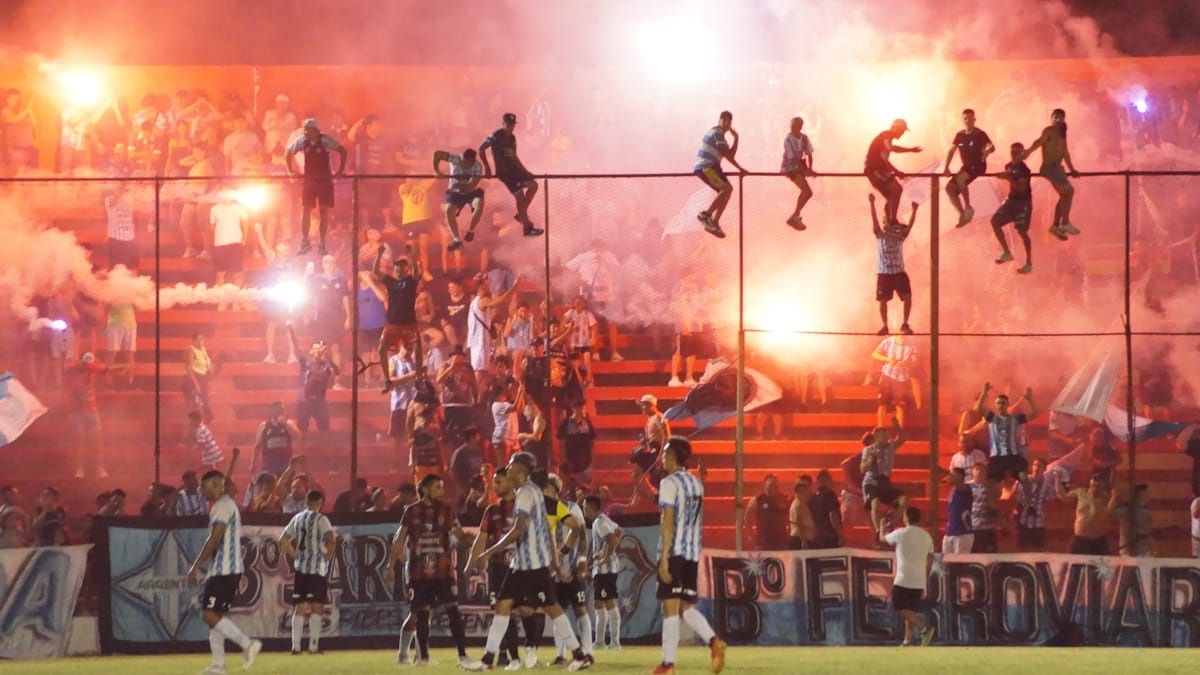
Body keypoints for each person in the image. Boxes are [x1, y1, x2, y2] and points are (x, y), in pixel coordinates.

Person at [464, 453, 589, 672]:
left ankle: (579, 654)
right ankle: (487, 660)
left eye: (511, 466)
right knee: (504, 607)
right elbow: (545, 532)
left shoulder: (524, 493)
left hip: (531, 565)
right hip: (523, 564)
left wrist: (490, 552)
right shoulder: (535, 492)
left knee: (552, 608)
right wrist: (555, 563)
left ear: (520, 470)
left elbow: (518, 530)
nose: (508, 469)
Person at [653, 437, 726, 675]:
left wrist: (664, 558)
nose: (662, 457)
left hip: (675, 553)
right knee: (685, 607)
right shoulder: (696, 483)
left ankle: (667, 665)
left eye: (665, 453)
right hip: (693, 553)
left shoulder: (669, 483)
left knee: (670, 609)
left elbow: (668, 522)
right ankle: (714, 642)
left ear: (673, 457)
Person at [387, 474, 471, 667]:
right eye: (437, 488)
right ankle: (421, 657)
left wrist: (469, 540)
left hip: (443, 570)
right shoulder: (411, 511)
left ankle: (462, 655)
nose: (441, 492)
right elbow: (399, 539)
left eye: (442, 488)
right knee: (420, 613)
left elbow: (459, 534)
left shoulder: (447, 511)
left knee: (452, 610)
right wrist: (390, 566)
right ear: (424, 490)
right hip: (418, 571)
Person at [186, 470, 263, 674]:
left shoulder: (222, 507)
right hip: (226, 569)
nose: (201, 490)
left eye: (204, 486)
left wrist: (195, 566)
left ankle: (247, 644)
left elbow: (214, 539)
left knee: (209, 615)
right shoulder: (226, 505)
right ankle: (219, 666)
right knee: (215, 618)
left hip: (225, 569)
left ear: (214, 486)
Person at [469, 466, 522, 668]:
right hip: (500, 567)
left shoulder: (524, 506)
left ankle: (535, 651)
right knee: (503, 611)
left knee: (527, 611)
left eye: (499, 482)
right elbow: (481, 539)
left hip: (523, 566)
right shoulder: (492, 510)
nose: (495, 486)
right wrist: (470, 563)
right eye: (494, 482)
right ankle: (506, 656)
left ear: (510, 481)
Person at [543, 474, 593, 666]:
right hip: (554, 570)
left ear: (555, 490)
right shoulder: (542, 510)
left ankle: (587, 652)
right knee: (559, 611)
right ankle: (560, 655)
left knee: (580, 609)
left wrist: (581, 561)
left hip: (571, 568)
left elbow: (582, 536)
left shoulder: (572, 509)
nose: (544, 493)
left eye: (547, 489)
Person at [280, 490, 335, 655]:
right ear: (320, 502)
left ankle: (295, 647)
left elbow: (283, 539)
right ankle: (313, 646)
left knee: (300, 606)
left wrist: (294, 554)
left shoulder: (297, 518)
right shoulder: (321, 519)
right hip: (316, 568)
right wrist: (327, 556)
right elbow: (330, 538)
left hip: (301, 568)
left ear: (306, 501)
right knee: (317, 606)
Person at [285, 118, 347, 255]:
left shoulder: (325, 140)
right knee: (306, 210)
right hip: (310, 181)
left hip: (325, 182)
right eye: (305, 130)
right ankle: (305, 241)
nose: (306, 133)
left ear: (316, 130)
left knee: (323, 211)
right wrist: (290, 171)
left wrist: (339, 171)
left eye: (308, 130)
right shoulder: (302, 140)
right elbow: (288, 152)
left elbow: (343, 151)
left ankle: (322, 243)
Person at [878, 506, 935, 647]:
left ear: (906, 517)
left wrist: (881, 526)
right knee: (910, 610)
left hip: (904, 577)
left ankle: (924, 629)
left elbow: (882, 539)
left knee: (898, 606)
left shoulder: (901, 533)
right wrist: (925, 574)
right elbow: (930, 557)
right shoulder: (926, 536)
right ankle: (907, 640)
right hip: (919, 579)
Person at [479, 113, 543, 237]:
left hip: (515, 171)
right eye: (508, 124)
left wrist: (525, 172)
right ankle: (527, 228)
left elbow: (514, 157)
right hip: (504, 172)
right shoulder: (495, 135)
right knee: (519, 195)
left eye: (512, 125)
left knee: (533, 185)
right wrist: (486, 167)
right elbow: (481, 149)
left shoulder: (512, 138)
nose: (511, 127)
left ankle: (521, 215)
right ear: (503, 124)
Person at [370, 247, 424, 392]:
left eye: (401, 267)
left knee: (418, 348)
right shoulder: (390, 281)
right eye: (397, 267)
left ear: (406, 268)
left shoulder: (411, 281)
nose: (399, 269)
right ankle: (387, 379)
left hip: (409, 324)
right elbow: (375, 271)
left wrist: (411, 254)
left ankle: (419, 378)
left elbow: (417, 271)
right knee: (382, 349)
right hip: (392, 323)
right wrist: (379, 254)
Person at [1023, 108, 1081, 241]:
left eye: (1060, 117)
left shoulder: (1062, 134)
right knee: (1069, 191)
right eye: (1056, 117)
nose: (1058, 119)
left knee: (1065, 195)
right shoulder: (1048, 131)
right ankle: (1064, 222)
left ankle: (1056, 226)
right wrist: (1028, 151)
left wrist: (1072, 169)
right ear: (1051, 118)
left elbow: (1065, 153)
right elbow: (1038, 142)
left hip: (1058, 168)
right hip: (1049, 167)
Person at [973, 383, 1037, 495]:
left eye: (1003, 403)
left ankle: (1028, 505)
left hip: (1013, 456)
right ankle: (991, 505)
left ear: (1007, 404)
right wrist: (984, 392)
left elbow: (1034, 414)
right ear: (996, 405)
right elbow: (978, 408)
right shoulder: (992, 418)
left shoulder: (1016, 419)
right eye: (998, 403)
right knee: (989, 483)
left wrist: (1030, 399)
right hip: (997, 457)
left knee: (1024, 478)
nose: (1001, 405)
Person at [870, 194, 920, 335]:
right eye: (885, 221)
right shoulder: (880, 235)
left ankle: (905, 324)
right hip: (884, 273)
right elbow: (874, 221)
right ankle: (885, 325)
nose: (886, 223)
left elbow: (909, 226)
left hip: (898, 272)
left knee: (908, 296)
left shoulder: (900, 235)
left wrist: (914, 211)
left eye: (889, 221)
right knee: (883, 300)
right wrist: (872, 203)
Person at [693, 110, 747, 239]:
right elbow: (729, 156)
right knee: (726, 189)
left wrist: (736, 138)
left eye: (729, 121)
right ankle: (706, 215)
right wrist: (740, 169)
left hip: (713, 167)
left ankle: (714, 223)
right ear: (720, 120)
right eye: (725, 120)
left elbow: (730, 154)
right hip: (706, 167)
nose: (727, 123)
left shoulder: (721, 137)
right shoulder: (717, 134)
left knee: (727, 191)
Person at [942, 108, 994, 227]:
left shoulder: (979, 134)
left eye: (970, 118)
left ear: (974, 119)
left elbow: (991, 146)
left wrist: (986, 152)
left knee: (961, 178)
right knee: (949, 188)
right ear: (963, 120)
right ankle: (963, 214)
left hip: (978, 166)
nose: (968, 121)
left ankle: (968, 207)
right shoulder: (959, 135)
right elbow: (951, 150)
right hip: (966, 167)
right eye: (966, 118)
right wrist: (946, 167)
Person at [584, 494, 624, 651]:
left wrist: (606, 557)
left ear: (591, 508)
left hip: (605, 570)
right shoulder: (603, 519)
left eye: (585, 507)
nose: (583, 510)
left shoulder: (600, 523)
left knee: (609, 602)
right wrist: (606, 554)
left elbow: (612, 538)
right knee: (599, 603)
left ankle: (615, 642)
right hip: (601, 569)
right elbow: (619, 531)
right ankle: (600, 641)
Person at [865, 119, 923, 226]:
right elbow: (891, 148)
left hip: (877, 171)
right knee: (897, 189)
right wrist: (910, 150)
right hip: (875, 171)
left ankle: (888, 221)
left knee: (891, 197)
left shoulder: (885, 138)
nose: (903, 134)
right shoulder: (886, 135)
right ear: (895, 128)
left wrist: (897, 172)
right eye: (902, 131)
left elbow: (885, 160)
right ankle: (892, 221)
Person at [991, 142, 1035, 274]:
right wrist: (1002, 177)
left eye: (1017, 152)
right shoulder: (1008, 166)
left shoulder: (1025, 170)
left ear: (1022, 154)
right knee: (995, 221)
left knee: (1022, 232)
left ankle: (1029, 263)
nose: (1014, 154)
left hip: (1023, 203)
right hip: (1011, 201)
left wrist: (1008, 178)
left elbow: (1021, 188)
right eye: (1012, 152)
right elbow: (1009, 178)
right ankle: (1006, 251)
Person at [468, 275, 521, 381]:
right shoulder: (482, 300)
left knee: (481, 371)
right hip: (480, 341)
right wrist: (514, 288)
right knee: (479, 371)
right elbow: (500, 301)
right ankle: (475, 397)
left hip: (479, 341)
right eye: (486, 283)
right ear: (482, 285)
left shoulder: (475, 301)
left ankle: (478, 396)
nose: (489, 285)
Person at [288, 326, 338, 433]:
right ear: (310, 351)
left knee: (325, 430)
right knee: (302, 430)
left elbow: (337, 372)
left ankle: (326, 449)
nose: (317, 351)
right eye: (315, 348)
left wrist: (327, 357)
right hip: (304, 401)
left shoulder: (326, 365)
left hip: (320, 401)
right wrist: (291, 330)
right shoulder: (306, 363)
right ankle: (302, 449)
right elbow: (296, 348)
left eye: (319, 348)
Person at [433, 148, 486, 249]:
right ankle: (457, 240)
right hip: (455, 193)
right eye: (466, 163)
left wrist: (460, 185)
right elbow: (437, 154)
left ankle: (471, 231)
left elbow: (471, 185)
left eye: (470, 164)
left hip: (470, 192)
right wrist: (437, 171)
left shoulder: (477, 166)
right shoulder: (455, 158)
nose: (467, 166)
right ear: (463, 159)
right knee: (448, 211)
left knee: (479, 204)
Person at [862, 420, 907, 533]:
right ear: (876, 436)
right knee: (875, 503)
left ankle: (888, 522)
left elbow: (901, 440)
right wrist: (871, 460)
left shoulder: (890, 446)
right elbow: (862, 469)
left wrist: (897, 427)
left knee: (904, 500)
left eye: (887, 433)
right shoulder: (868, 450)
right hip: (871, 481)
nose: (886, 436)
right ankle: (878, 531)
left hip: (885, 481)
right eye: (883, 434)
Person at [1057, 474, 1117, 555]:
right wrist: (1057, 479)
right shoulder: (1081, 492)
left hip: (1098, 540)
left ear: (1103, 485)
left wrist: (1114, 496)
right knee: (1072, 563)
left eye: (1099, 482)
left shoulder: (1107, 498)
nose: (1096, 484)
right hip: (1080, 538)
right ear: (1090, 482)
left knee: (1100, 565)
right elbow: (1062, 496)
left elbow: (1109, 513)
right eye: (1094, 481)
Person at [872, 332, 919, 428]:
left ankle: (899, 433)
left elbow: (915, 359)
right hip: (887, 375)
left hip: (902, 378)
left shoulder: (912, 344)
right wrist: (888, 359)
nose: (902, 333)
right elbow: (875, 354)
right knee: (882, 404)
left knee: (900, 407)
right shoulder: (888, 341)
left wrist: (906, 362)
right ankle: (880, 430)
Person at [1013, 458, 1055, 552]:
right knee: (1021, 551)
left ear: (1044, 469)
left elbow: (1049, 504)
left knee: (1039, 552)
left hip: (1038, 523)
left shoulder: (1047, 486)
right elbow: (1015, 499)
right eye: (1035, 464)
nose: (1036, 467)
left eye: (1040, 465)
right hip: (1023, 522)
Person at [781, 116, 816, 230]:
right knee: (806, 191)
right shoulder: (788, 140)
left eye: (794, 126)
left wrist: (810, 169)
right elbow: (793, 159)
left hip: (799, 167)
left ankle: (795, 216)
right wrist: (806, 170)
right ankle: (795, 216)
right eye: (791, 126)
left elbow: (809, 154)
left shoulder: (804, 138)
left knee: (807, 192)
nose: (792, 128)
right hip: (790, 168)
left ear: (800, 127)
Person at [252, 402, 301, 477]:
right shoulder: (264, 425)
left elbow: (298, 436)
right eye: (278, 409)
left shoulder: (289, 423)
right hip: (269, 464)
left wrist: (285, 424)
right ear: (272, 410)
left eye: (282, 409)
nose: (281, 411)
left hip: (285, 463)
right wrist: (253, 463)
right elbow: (257, 446)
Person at [745, 474, 789, 551]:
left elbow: (790, 517)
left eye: (775, 485)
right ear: (765, 486)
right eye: (770, 485)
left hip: (781, 543)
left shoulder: (783, 499)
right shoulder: (757, 500)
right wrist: (750, 535)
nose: (773, 487)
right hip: (763, 543)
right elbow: (747, 517)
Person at [968, 463, 1001, 553]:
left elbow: (997, 503)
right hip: (973, 527)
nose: (979, 472)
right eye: (977, 469)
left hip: (988, 528)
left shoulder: (991, 486)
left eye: (982, 470)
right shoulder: (967, 486)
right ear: (972, 472)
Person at [1114, 484, 1154, 557]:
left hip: (1144, 551)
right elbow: (1111, 514)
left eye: (1147, 495)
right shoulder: (1125, 509)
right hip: (1127, 551)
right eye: (1143, 495)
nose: (1145, 497)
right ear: (1136, 495)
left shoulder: (1147, 512)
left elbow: (1149, 532)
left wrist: (1151, 548)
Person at [808, 470, 843, 549]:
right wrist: (840, 535)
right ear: (824, 480)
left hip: (817, 536)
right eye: (830, 479)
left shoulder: (813, 497)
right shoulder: (830, 494)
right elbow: (832, 515)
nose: (832, 481)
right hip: (829, 537)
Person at [184, 333, 214, 423]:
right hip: (194, 378)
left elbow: (206, 363)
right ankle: (195, 424)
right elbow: (189, 368)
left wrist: (209, 368)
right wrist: (196, 384)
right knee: (197, 404)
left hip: (203, 378)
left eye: (202, 339)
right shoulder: (191, 350)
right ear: (194, 340)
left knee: (205, 402)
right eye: (199, 340)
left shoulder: (203, 349)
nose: (201, 342)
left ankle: (202, 423)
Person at [943, 468, 974, 554]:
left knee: (960, 564)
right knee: (947, 563)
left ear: (960, 477)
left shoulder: (966, 489)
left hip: (962, 532)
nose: (950, 477)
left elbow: (961, 487)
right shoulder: (952, 491)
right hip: (950, 531)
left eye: (953, 475)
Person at [788, 476, 815, 550]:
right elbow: (799, 523)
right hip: (799, 540)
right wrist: (804, 541)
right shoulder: (798, 504)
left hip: (802, 539)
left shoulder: (801, 503)